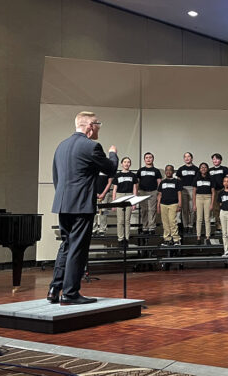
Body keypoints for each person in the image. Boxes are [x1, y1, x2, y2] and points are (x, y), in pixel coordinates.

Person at [48, 111, 118, 305]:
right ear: (89, 126)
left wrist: (65, 198)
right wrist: (113, 154)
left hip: (63, 203)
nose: (98, 129)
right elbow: (111, 169)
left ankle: (54, 289)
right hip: (81, 205)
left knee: (66, 245)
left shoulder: (61, 146)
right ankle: (70, 293)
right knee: (77, 248)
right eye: (98, 125)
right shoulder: (92, 146)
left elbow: (56, 177)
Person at [112, 157, 138, 246]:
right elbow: (114, 189)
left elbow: (135, 189)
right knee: (120, 220)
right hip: (119, 196)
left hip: (130, 196)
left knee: (127, 220)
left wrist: (134, 202)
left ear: (130, 164)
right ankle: (120, 238)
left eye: (128, 162)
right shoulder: (117, 175)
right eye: (125, 162)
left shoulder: (133, 175)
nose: (127, 164)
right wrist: (114, 202)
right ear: (122, 164)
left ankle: (126, 238)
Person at [136, 152, 162, 235]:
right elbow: (137, 182)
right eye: (146, 157)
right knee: (144, 210)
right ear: (144, 159)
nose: (148, 159)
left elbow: (159, 182)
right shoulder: (140, 170)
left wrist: (159, 193)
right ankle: (145, 227)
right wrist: (136, 192)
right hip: (142, 192)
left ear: (152, 159)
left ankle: (152, 227)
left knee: (152, 210)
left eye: (150, 157)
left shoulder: (156, 170)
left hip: (153, 192)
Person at [157, 165, 182, 246]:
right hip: (163, 204)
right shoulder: (162, 182)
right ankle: (167, 239)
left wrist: (180, 204)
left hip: (173, 204)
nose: (168, 171)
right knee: (165, 223)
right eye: (167, 170)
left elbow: (179, 193)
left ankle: (176, 239)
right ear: (165, 171)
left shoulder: (177, 181)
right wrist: (158, 206)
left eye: (170, 170)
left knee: (172, 222)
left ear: (173, 172)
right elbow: (160, 194)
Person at [176, 152, 199, 234]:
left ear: (192, 158)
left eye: (188, 156)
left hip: (192, 189)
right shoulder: (181, 169)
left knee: (192, 208)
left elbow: (198, 180)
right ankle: (185, 226)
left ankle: (191, 225)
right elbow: (178, 180)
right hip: (183, 190)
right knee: (184, 209)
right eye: (185, 157)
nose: (187, 158)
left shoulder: (196, 169)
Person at [193, 162, 214, 245]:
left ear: (207, 169)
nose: (203, 169)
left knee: (207, 218)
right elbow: (194, 191)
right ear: (199, 169)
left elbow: (213, 192)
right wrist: (194, 204)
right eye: (202, 167)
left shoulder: (211, 178)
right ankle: (198, 237)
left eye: (205, 167)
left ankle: (207, 237)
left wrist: (212, 203)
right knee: (199, 218)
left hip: (208, 198)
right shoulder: (196, 178)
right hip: (199, 198)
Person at [209, 153, 228, 232]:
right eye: (213, 159)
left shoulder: (224, 169)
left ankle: (225, 224)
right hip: (214, 191)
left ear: (220, 160)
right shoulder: (210, 170)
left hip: (223, 190)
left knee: (224, 207)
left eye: (217, 159)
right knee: (216, 208)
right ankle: (218, 225)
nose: (215, 160)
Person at [93, 172, 113, 236]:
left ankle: (102, 229)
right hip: (94, 193)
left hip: (105, 194)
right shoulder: (94, 168)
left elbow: (109, 183)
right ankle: (94, 229)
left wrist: (103, 193)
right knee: (94, 212)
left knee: (103, 212)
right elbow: (91, 181)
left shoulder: (107, 169)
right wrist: (95, 192)